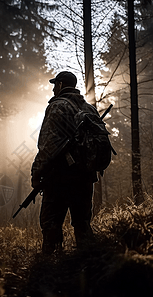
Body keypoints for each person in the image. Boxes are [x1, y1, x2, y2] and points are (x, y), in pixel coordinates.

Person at [31, 71, 100, 254]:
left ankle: (50, 269)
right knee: (83, 224)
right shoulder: (89, 108)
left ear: (61, 85)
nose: (53, 88)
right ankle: (89, 267)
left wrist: (36, 173)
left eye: (55, 84)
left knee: (51, 224)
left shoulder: (57, 107)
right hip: (85, 177)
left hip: (59, 177)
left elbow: (47, 145)